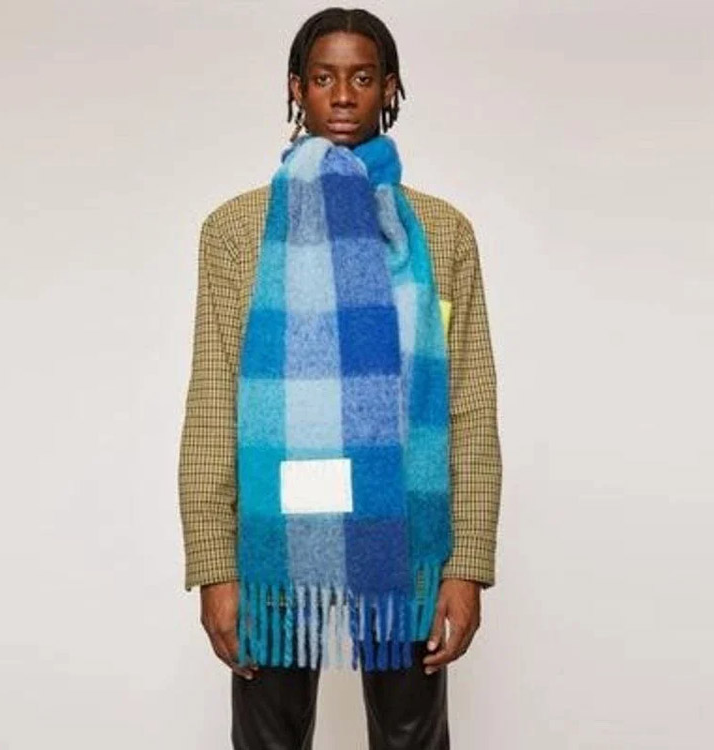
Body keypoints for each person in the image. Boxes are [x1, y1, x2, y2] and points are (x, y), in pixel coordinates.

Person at [178, 7, 502, 749]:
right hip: (276, 541)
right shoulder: (236, 231)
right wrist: (216, 565)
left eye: (362, 77)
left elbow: (469, 406)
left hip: (405, 536)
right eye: (325, 78)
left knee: (412, 740)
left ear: (390, 87)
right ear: (297, 89)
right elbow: (214, 401)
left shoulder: (441, 232)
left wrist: (466, 566)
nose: (345, 96)